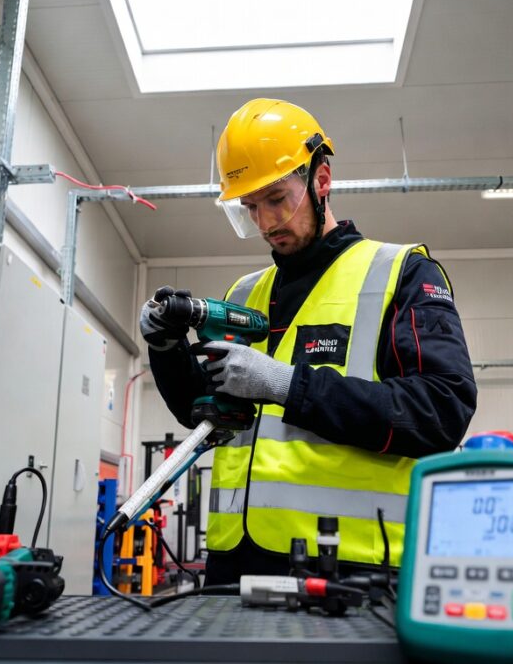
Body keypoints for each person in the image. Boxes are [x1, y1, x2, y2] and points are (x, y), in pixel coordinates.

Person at [140, 99, 477, 586]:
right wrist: (166, 348)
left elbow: (442, 411)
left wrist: (286, 385)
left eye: (277, 198)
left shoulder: (399, 273)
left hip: (350, 571)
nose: (266, 222)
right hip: (231, 568)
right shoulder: (244, 294)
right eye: (250, 207)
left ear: (322, 180)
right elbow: (206, 413)